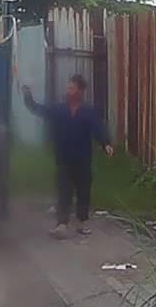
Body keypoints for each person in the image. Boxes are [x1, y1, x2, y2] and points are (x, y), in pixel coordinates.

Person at [23, 74, 114, 238]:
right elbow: (38, 109)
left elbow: (98, 128)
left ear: (80, 91)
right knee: (64, 190)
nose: (68, 91)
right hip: (63, 157)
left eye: (72, 88)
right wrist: (27, 96)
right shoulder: (59, 109)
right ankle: (62, 224)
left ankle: (81, 222)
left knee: (83, 191)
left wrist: (106, 143)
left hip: (83, 158)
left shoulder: (88, 111)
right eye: (68, 87)